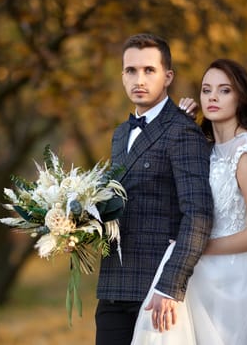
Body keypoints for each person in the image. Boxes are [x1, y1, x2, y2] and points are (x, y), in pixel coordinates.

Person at [133, 58, 247, 344]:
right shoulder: (205, 146)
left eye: (224, 90)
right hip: (198, 273)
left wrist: (199, 246)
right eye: (206, 90)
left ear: (241, 98)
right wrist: (179, 122)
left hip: (234, 278)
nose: (213, 97)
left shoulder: (245, 150)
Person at [95, 33, 214, 345]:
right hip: (113, 286)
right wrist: (76, 229)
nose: (139, 79)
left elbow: (198, 214)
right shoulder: (120, 134)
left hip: (156, 291)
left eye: (149, 70)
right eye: (131, 71)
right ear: (122, 76)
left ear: (168, 76)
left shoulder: (183, 131)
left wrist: (170, 285)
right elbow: (117, 204)